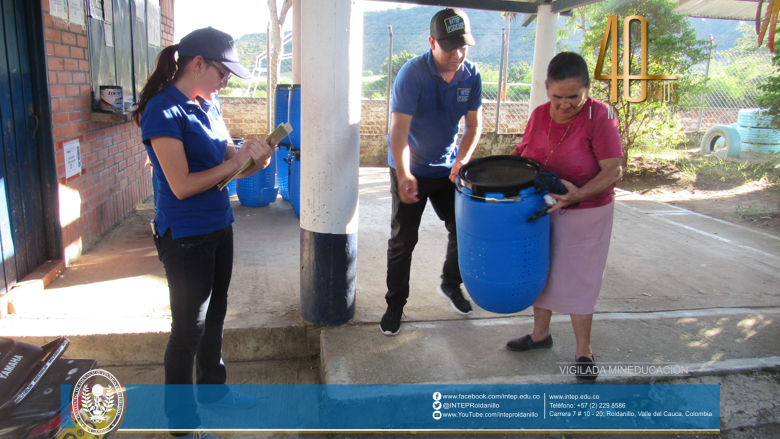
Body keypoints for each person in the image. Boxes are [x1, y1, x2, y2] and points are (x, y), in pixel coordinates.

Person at [132, 27, 274, 436]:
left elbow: (232, 164)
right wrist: (235, 163)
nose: (226, 82)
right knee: (187, 332)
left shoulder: (209, 105)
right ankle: (182, 424)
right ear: (198, 64)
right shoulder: (163, 111)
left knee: (215, 316)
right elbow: (182, 184)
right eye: (223, 72)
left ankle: (212, 391)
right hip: (185, 237)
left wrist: (256, 160)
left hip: (218, 226)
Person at [506, 52, 623, 381]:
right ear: (547, 88)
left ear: (587, 89)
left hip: (587, 212)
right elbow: (524, 153)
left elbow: (614, 170)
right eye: (557, 96)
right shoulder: (540, 114)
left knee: (580, 279)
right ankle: (540, 335)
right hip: (543, 210)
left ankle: (583, 350)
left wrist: (575, 196)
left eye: (573, 96)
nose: (564, 104)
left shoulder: (600, 116)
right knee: (539, 272)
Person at [381, 8, 483, 336]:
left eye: (463, 46)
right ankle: (395, 304)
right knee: (404, 239)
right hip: (411, 167)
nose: (458, 54)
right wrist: (405, 174)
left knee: (465, 229)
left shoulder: (472, 74)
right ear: (432, 42)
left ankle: (451, 284)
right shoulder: (413, 74)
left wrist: (462, 159)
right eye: (450, 46)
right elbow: (399, 131)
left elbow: (473, 125)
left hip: (449, 168)